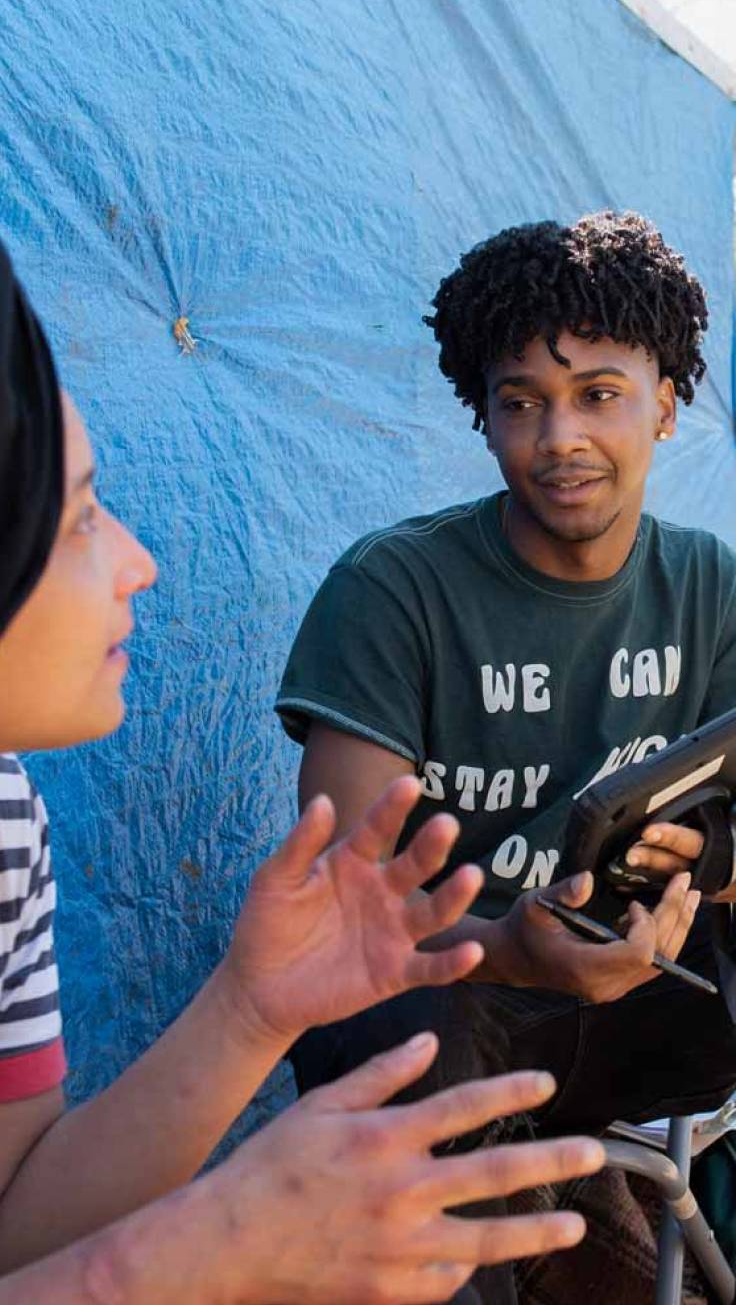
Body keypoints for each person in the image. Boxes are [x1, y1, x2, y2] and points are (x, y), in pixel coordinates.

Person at [278, 211, 736, 1305]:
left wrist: (729, 867)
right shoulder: (395, 591)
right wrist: (504, 948)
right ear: (485, 419)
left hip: (654, 1001)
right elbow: (341, 909)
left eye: (597, 393)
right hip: (467, 1010)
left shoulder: (704, 587)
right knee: (398, 1018)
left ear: (665, 405)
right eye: (521, 402)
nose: (560, 439)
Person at [0, 240, 606, 1303]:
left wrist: (249, 1010)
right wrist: (201, 1253)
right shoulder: (394, 587)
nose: (139, 562)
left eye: (600, 395)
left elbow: (13, 1232)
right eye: (82, 515)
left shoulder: (6, 816)